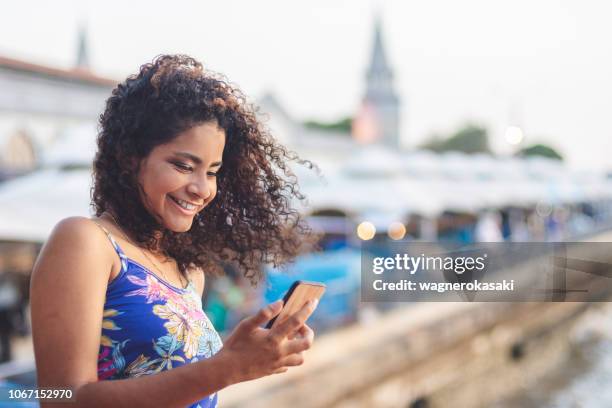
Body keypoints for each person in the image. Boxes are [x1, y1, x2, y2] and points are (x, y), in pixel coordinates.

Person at [30, 54, 318, 408]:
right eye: (184, 165)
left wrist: (247, 357)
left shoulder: (187, 273)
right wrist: (226, 369)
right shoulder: (85, 242)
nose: (202, 188)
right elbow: (60, 398)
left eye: (212, 171)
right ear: (130, 158)